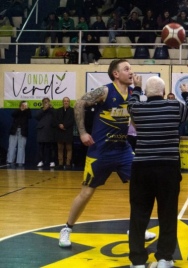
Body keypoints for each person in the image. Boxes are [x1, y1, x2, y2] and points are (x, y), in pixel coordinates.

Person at [58, 59, 155, 248]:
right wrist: (83, 132)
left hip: (123, 150)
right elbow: (79, 104)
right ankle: (67, 228)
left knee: (141, 186)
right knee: (86, 193)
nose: (131, 71)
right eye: (126, 69)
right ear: (116, 74)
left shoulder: (132, 95)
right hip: (100, 151)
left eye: (131, 68)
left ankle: (136, 228)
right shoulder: (104, 91)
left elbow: (133, 121)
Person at [127, 76, 188, 268]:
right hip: (168, 167)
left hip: (142, 167)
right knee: (167, 214)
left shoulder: (137, 108)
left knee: (139, 214)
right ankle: (165, 258)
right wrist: (185, 93)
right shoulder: (175, 106)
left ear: (146, 94)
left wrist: (138, 88)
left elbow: (131, 101)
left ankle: (138, 261)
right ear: (165, 92)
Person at [7, 101, 31, 167]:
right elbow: (13, 114)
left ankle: (20, 161)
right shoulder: (17, 111)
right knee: (12, 146)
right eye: (23, 105)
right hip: (14, 130)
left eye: (25, 105)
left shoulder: (27, 112)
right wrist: (20, 109)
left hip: (23, 131)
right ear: (20, 105)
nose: (24, 106)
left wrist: (27, 109)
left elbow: (30, 116)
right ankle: (10, 160)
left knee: (21, 146)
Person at [54, 97, 75, 169]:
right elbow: (55, 120)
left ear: (69, 102)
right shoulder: (58, 110)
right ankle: (60, 164)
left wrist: (65, 125)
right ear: (62, 102)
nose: (66, 102)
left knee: (69, 148)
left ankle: (68, 163)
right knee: (60, 148)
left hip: (68, 131)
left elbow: (72, 120)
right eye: (64, 101)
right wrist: (59, 125)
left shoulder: (72, 110)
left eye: (67, 101)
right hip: (59, 132)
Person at [36, 97, 56, 168]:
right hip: (42, 131)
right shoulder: (41, 110)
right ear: (43, 103)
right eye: (45, 102)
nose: (46, 103)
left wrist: (51, 108)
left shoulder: (52, 110)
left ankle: (52, 161)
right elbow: (36, 117)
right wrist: (44, 109)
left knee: (51, 147)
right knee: (41, 147)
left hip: (50, 131)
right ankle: (40, 161)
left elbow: (56, 117)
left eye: (47, 102)